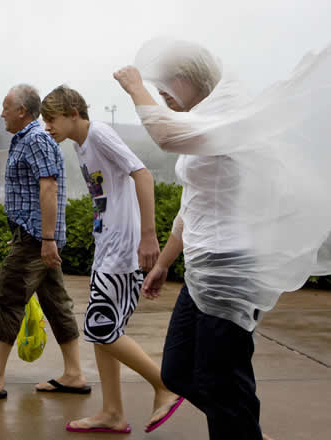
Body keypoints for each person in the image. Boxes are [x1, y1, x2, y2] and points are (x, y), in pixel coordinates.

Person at [114, 37, 331, 440]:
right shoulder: (202, 124)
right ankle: (242, 427)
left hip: (232, 270)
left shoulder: (231, 120)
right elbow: (189, 208)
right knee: (177, 372)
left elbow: (164, 136)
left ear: (189, 79)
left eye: (165, 87)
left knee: (222, 381)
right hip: (200, 271)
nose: (161, 97)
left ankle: (239, 427)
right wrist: (163, 264)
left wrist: (135, 87)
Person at [41, 85, 183, 434]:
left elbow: (143, 174)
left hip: (122, 251)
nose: (47, 127)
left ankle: (164, 386)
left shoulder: (100, 134)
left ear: (74, 112)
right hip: (107, 247)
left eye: (52, 119)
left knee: (101, 329)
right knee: (103, 331)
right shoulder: (80, 145)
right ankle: (112, 412)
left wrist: (148, 236)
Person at [0, 84, 90, 401]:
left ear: (22, 111)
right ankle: (74, 374)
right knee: (55, 303)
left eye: (5, 106)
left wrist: (46, 239)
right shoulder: (27, 140)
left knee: (6, 293)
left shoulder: (36, 140)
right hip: (32, 234)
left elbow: (49, 189)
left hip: (35, 237)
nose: (1, 113)